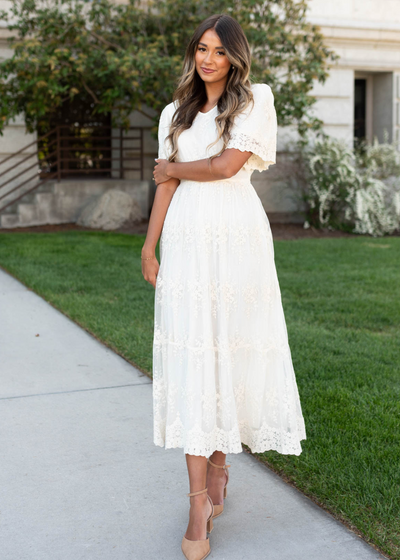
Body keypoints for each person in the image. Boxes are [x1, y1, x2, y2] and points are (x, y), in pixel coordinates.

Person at [141, 13, 306, 560]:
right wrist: (149, 244)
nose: (207, 58)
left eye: (218, 50)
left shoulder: (255, 98)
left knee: (226, 351)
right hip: (187, 240)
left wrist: (171, 170)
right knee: (195, 358)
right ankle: (197, 504)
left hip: (237, 241)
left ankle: (219, 460)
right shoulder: (174, 112)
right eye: (200, 49)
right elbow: (165, 185)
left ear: (235, 56)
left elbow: (227, 165)